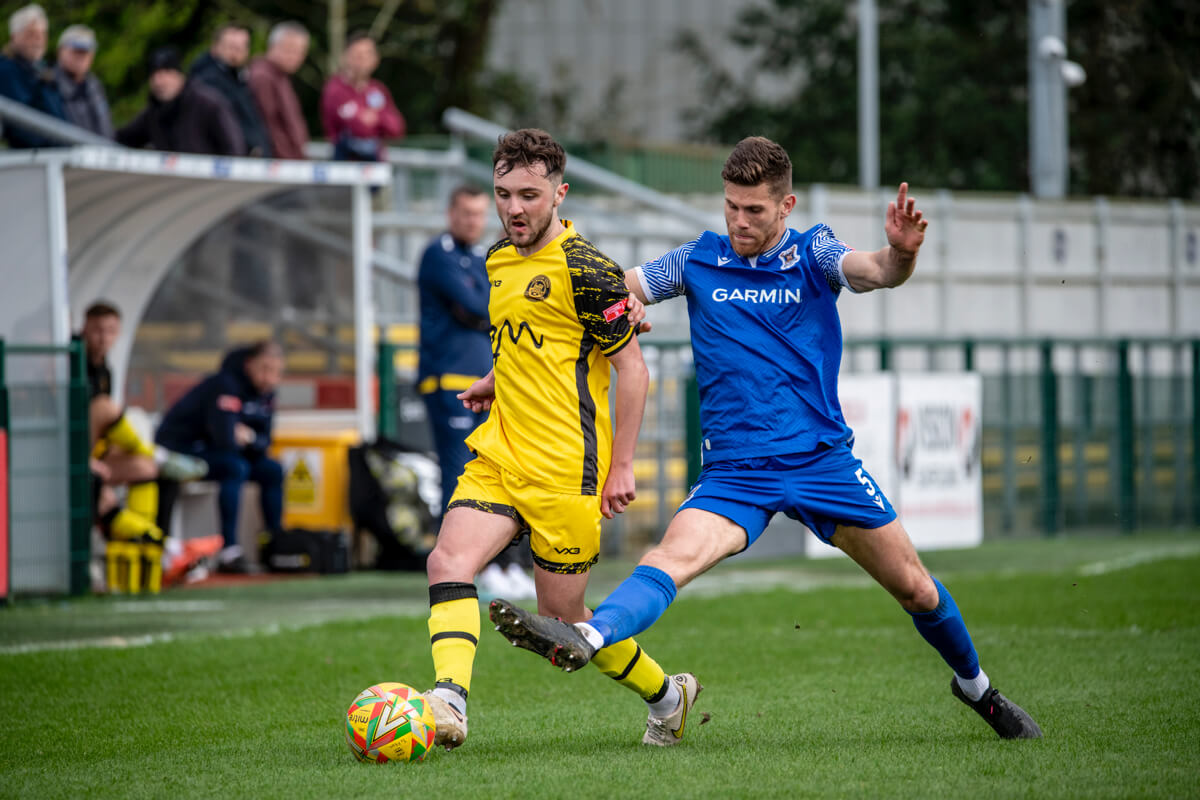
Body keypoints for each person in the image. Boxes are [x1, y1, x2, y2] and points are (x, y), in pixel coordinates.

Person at [490, 136, 1043, 741]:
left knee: (915, 588)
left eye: (754, 210)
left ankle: (977, 689)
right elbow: (600, 298)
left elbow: (875, 270)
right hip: (735, 473)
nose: (739, 221)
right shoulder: (695, 259)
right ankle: (585, 635)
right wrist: (522, 362)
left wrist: (900, 255)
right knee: (669, 560)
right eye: (731, 206)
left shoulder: (815, 253)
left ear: (786, 206)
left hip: (821, 463)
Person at [421, 129, 700, 752]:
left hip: (568, 471)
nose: (514, 208)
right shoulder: (496, 260)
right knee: (447, 562)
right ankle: (448, 702)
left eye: (528, 194)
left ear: (559, 193)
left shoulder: (588, 269)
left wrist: (622, 465)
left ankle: (667, 696)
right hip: (501, 452)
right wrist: (497, 379)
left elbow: (633, 368)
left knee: (567, 622)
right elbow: (530, 337)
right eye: (503, 194)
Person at [417, 184, 537, 600]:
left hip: (487, 379)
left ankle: (504, 562)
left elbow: (495, 304)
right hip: (448, 378)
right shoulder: (439, 254)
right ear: (451, 213)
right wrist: (486, 302)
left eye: (479, 214)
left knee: (497, 471)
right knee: (458, 473)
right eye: (466, 213)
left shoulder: (479, 256)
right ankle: (462, 566)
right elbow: (480, 306)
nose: (473, 221)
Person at [81, 302, 207, 550]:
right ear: (84, 329)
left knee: (148, 469)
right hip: (70, 458)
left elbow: (100, 429)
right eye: (97, 330)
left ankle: (157, 549)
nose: (103, 338)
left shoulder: (105, 369)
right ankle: (161, 546)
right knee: (104, 407)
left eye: (110, 330)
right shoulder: (70, 362)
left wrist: (110, 453)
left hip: (94, 453)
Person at [155, 341, 286, 575]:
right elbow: (225, 440)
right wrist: (248, 440)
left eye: (275, 372)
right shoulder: (226, 384)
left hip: (223, 453)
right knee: (235, 467)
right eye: (264, 369)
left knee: (272, 470)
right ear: (249, 365)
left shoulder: (266, 395)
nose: (269, 377)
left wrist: (250, 438)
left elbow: (265, 442)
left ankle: (274, 544)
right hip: (183, 450)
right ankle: (229, 550)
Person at [116, 46, 244, 156]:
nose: (160, 82)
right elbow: (123, 139)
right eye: (154, 75)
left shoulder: (208, 103)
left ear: (180, 75)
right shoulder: (153, 112)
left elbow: (234, 147)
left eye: (166, 73)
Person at [320, 32, 403, 162]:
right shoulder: (335, 89)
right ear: (345, 57)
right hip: (345, 168)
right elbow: (360, 128)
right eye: (357, 55)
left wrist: (377, 118)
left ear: (376, 59)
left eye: (368, 54)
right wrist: (375, 119)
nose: (363, 60)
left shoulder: (378, 90)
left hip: (374, 167)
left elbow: (396, 128)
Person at [190, 24, 270, 157]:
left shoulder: (239, 79)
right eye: (231, 46)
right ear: (215, 48)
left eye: (242, 47)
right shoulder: (207, 82)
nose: (236, 52)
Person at [0, 4, 67, 149]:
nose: (38, 40)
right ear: (14, 37)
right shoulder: (7, 70)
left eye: (42, 34)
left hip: (59, 153)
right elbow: (19, 125)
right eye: (31, 34)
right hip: (36, 160)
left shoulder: (43, 70)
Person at [247, 21, 310, 160]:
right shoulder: (263, 77)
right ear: (272, 46)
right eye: (289, 49)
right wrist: (292, 161)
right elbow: (269, 127)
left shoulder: (280, 77)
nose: (295, 56)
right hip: (278, 166)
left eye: (300, 52)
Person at [52, 24, 112, 139]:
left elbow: (107, 129)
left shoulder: (94, 85)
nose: (81, 57)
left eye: (86, 52)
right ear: (60, 51)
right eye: (76, 51)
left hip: (102, 153)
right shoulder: (50, 84)